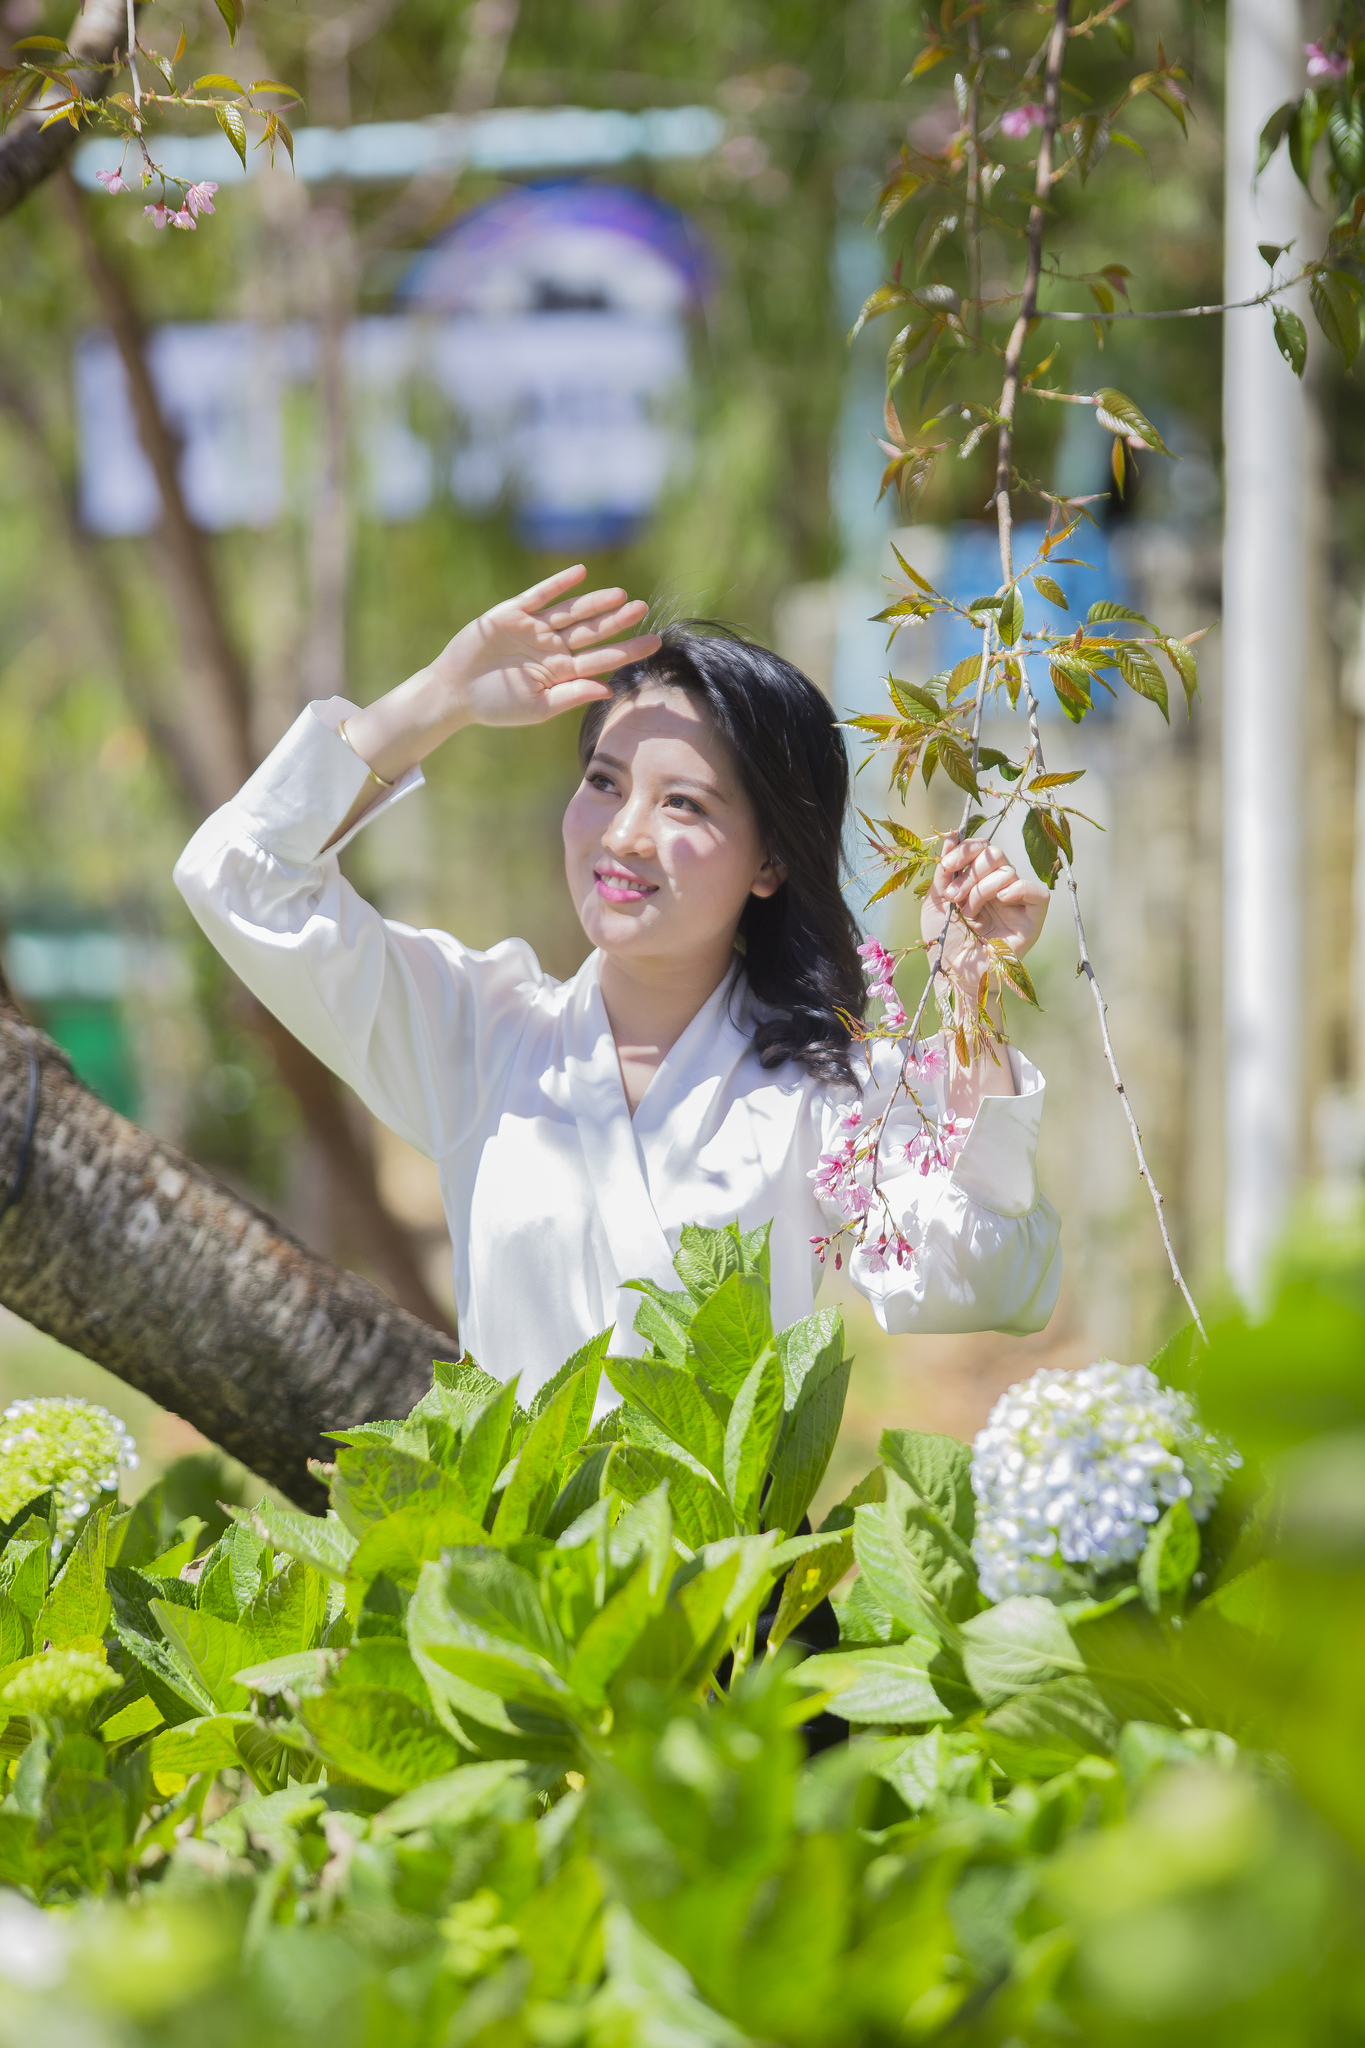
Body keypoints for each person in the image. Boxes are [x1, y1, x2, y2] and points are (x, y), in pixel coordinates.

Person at [174, 565, 1061, 1401]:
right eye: (604, 781)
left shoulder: (823, 1091)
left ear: (768, 862)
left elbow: (982, 1282)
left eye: (683, 803)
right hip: (505, 1553)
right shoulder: (480, 1036)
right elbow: (237, 875)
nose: (625, 834)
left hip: (728, 1563)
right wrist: (437, 698)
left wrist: (973, 1007)